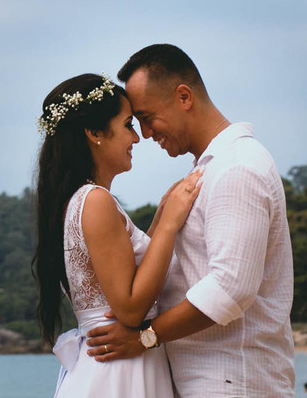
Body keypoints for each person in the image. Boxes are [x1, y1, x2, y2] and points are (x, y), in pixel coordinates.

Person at [85, 44, 295, 397]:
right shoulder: (211, 169)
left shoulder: (237, 168)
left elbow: (230, 289)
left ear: (184, 97)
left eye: (147, 117)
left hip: (233, 380)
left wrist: (146, 337)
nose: (145, 134)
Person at [33, 72, 203, 397]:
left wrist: (160, 218)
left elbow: (124, 272)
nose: (137, 138)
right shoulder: (95, 201)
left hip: (110, 364)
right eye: (128, 125)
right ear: (95, 133)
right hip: (119, 368)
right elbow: (129, 309)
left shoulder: (77, 200)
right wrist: (169, 225)